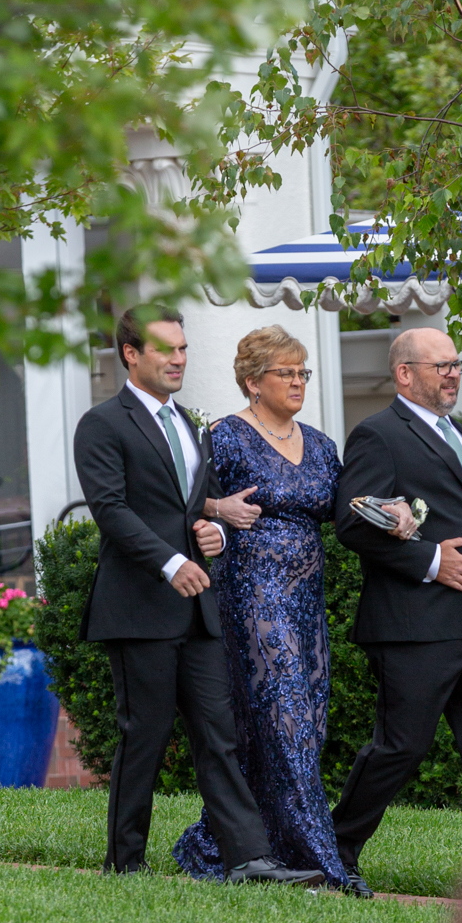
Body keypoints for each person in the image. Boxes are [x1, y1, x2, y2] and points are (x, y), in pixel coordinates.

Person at [73, 309, 319, 884]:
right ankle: (125, 863)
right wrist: (171, 559)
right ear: (130, 354)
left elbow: (193, 506)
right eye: (166, 349)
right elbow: (111, 509)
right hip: (138, 609)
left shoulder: (187, 422)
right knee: (146, 737)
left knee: (219, 734)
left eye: (183, 348)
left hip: (195, 609)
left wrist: (211, 528)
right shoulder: (103, 423)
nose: (179, 358)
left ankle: (247, 859)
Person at [175, 326, 409, 893]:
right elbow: (177, 496)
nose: (299, 381)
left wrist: (396, 508)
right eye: (287, 372)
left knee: (303, 724)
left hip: (306, 603)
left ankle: (225, 843)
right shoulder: (226, 437)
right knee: (286, 718)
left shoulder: (323, 445)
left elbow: (352, 508)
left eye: (303, 372)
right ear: (254, 382)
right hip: (252, 596)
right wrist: (217, 506)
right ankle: (321, 863)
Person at [330, 327, 462, 888]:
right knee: (399, 748)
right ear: (404, 373)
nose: (453, 373)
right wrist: (429, 560)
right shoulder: (378, 434)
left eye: (456, 363)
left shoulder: (460, 432)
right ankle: (336, 851)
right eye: (439, 365)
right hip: (417, 627)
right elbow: (351, 523)